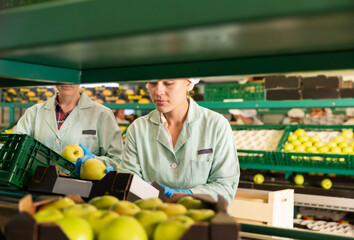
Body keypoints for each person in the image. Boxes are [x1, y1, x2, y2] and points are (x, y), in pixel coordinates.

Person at [118, 78, 240, 205]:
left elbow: (225, 186)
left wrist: (190, 195)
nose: (158, 91)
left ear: (188, 83)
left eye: (169, 83)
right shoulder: (138, 128)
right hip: (153, 218)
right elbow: (128, 183)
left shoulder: (216, 125)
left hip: (201, 218)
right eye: (152, 83)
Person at [14, 84, 123, 171]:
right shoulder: (33, 113)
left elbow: (117, 159)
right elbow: (15, 149)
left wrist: (94, 161)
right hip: (38, 186)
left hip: (83, 190)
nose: (66, 82)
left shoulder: (102, 114)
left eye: (71, 77)